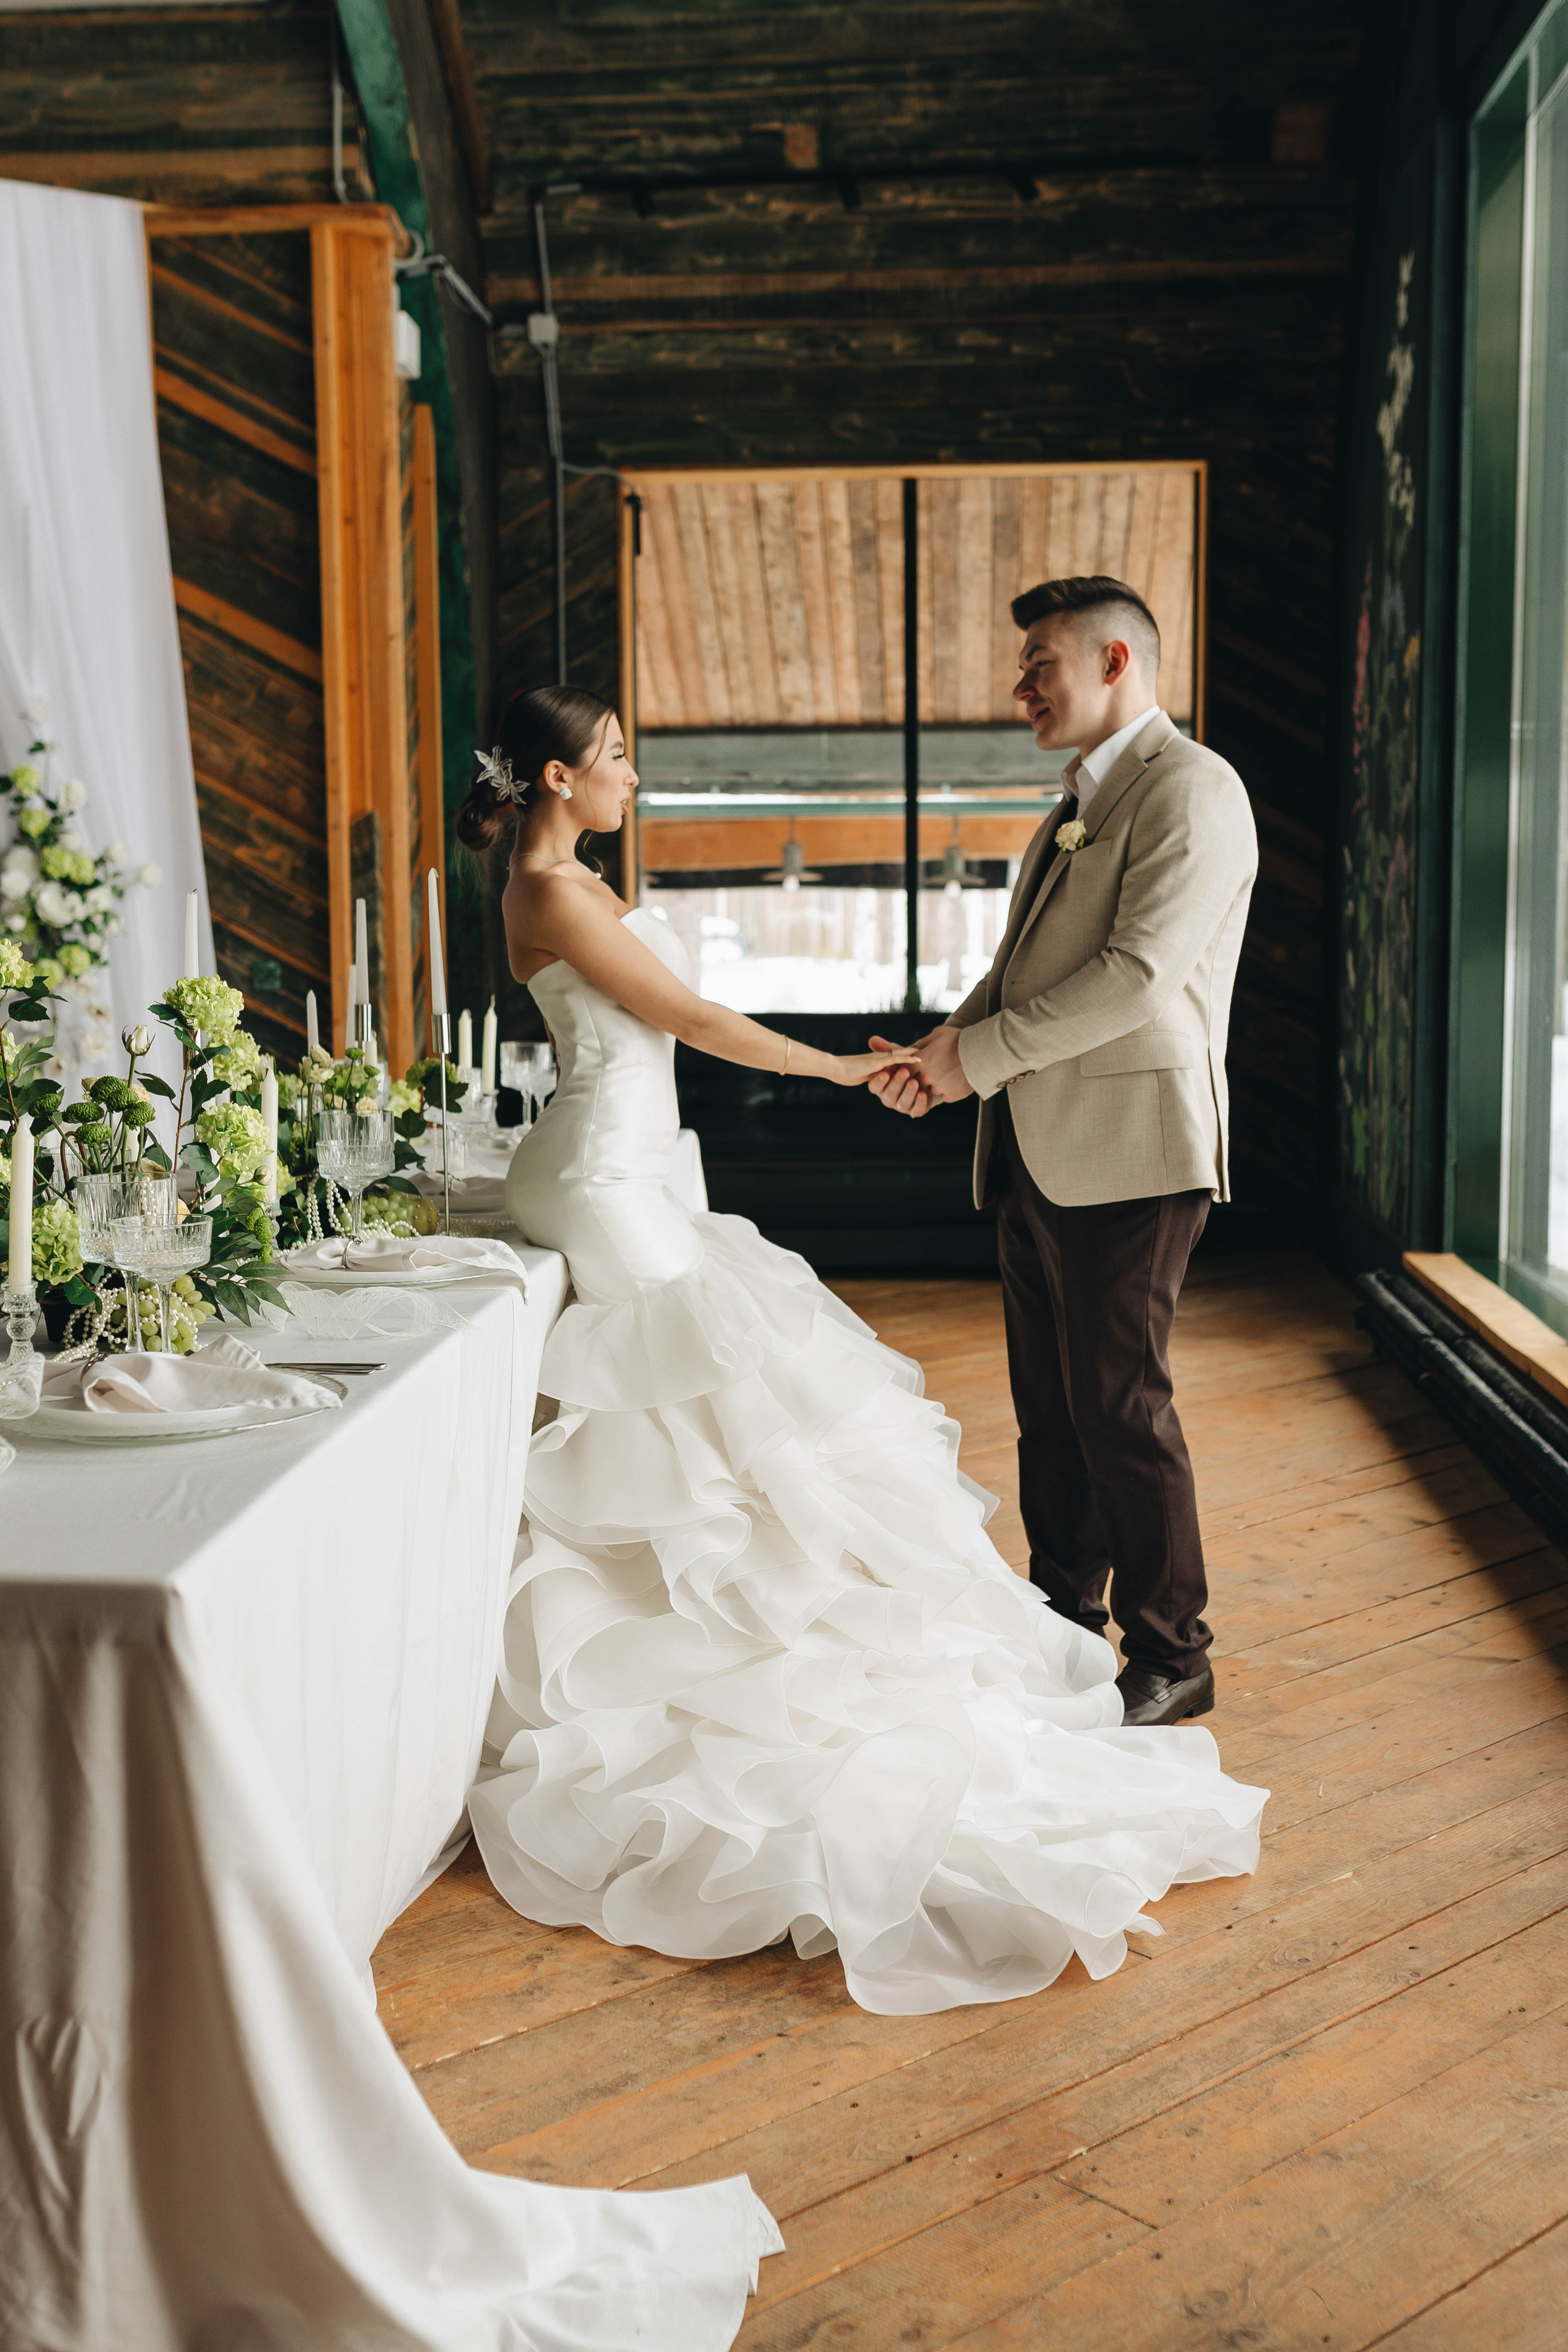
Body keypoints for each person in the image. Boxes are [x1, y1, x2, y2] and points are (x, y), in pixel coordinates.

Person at [463, 681, 1265, 2019]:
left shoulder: (574, 878)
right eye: (612, 759)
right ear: (553, 782)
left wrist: (927, 1057)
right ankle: (724, 1648)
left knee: (731, 1416)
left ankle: (799, 1625)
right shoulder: (547, 895)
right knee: (706, 1423)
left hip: (638, 1172)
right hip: (601, 1182)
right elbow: (696, 1025)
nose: (631, 778)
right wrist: (846, 1071)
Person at [870, 574, 1258, 1728]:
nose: (1021, 685)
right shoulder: (1075, 804)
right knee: (1052, 1405)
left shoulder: (1194, 789)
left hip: (1134, 1144)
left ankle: (1173, 1652)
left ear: (1116, 664)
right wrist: (946, 1049)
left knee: (1120, 1404)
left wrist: (975, 1062)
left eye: (1040, 662)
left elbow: (1136, 979)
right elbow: (1027, 968)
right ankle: (1062, 1617)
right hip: (1040, 1143)